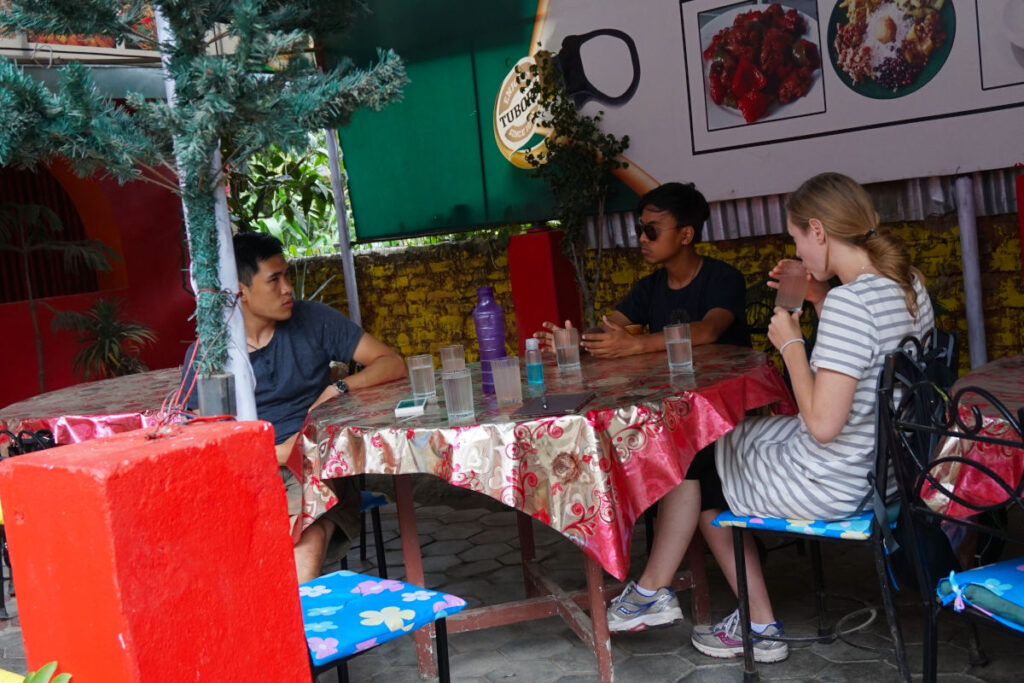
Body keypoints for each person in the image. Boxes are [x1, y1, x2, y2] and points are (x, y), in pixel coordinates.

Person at [606, 172, 935, 666]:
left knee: (699, 464)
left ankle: (752, 623)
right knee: (714, 441)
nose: (798, 254)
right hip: (890, 472)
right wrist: (818, 297)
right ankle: (660, 592)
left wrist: (792, 344)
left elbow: (823, 423)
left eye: (798, 239)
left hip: (837, 480)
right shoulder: (907, 284)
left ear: (819, 231)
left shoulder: (852, 304)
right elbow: (863, 368)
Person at [182, 232, 405, 583]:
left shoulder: (313, 320)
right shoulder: (212, 354)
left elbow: (391, 363)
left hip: (316, 468)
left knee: (305, 532)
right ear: (240, 291)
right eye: (274, 280)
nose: (288, 288)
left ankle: (298, 635)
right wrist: (276, 455)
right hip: (248, 475)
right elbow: (201, 441)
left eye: (287, 275)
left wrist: (339, 387)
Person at [535, 181, 749, 356]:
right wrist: (578, 342)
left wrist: (638, 344)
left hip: (726, 395)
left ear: (686, 235)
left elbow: (708, 330)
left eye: (652, 230)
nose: (643, 238)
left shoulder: (724, 278)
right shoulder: (650, 287)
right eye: (640, 229)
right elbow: (609, 327)